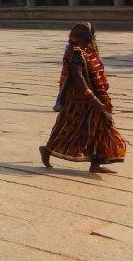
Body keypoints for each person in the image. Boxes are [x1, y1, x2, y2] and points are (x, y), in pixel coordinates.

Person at [40, 23, 127, 174]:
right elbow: (78, 77)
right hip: (80, 100)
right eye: (92, 35)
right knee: (70, 129)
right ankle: (47, 150)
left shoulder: (88, 52)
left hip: (93, 97)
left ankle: (96, 163)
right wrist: (92, 99)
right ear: (86, 36)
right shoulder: (77, 53)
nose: (94, 38)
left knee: (98, 129)